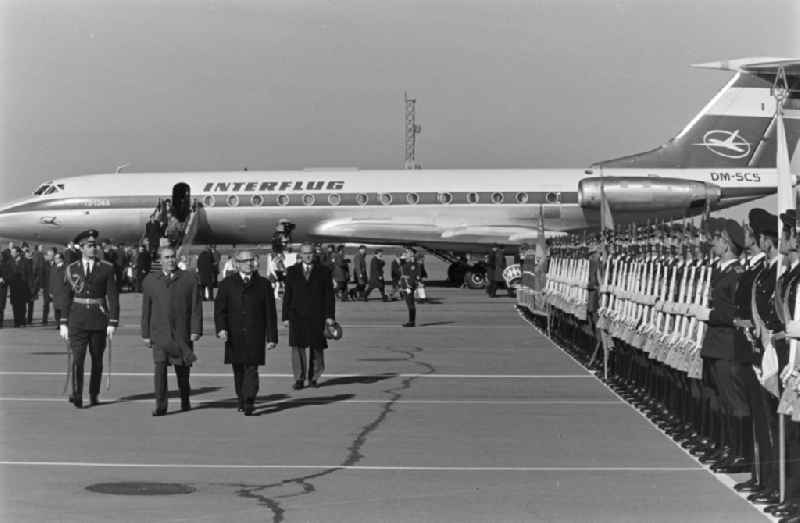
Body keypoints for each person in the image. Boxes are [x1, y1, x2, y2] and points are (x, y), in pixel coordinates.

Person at [58, 229, 119, 408]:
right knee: (78, 359)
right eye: (90, 246)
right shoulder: (72, 269)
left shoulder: (106, 268)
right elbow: (66, 297)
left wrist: (113, 321)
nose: (94, 249)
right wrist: (63, 321)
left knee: (97, 360)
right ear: (82, 248)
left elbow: (113, 297)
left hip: (99, 319)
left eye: (95, 246)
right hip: (77, 320)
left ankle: (93, 393)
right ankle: (77, 394)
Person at [141, 246, 203, 416]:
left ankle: (185, 399)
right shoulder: (150, 280)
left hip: (181, 334)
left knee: (183, 371)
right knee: (159, 369)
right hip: (159, 334)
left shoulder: (189, 279)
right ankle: (161, 406)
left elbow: (196, 307)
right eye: (167, 257)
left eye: (172, 257)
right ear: (160, 260)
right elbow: (146, 309)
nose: (170, 260)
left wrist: (196, 329)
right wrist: (145, 334)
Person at [214, 250, 278, 415]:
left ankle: (250, 399)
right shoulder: (227, 283)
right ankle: (241, 398)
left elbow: (270, 313)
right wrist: (221, 329)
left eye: (251, 260)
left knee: (252, 368)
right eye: (245, 261)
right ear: (237, 264)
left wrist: (272, 337)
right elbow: (220, 310)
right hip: (234, 334)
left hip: (255, 333)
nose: (249, 264)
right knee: (239, 370)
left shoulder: (263, 284)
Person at [282, 243, 335, 390]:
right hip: (297, 315)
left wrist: (330, 316)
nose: (308, 256)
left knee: (317, 348)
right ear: (300, 254)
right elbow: (288, 296)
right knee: (297, 348)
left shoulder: (324, 271)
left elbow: (329, 296)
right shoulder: (292, 271)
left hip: (317, 315)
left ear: (314, 254)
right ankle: (299, 378)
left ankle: (313, 378)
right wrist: (285, 317)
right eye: (305, 253)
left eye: (310, 253)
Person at [399, 248, 423, 327]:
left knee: (410, 304)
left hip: (408, 286)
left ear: (412, 254)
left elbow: (413, 276)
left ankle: (411, 322)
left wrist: (409, 285)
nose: (406, 253)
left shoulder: (413, 264)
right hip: (405, 285)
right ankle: (411, 321)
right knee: (409, 304)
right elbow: (402, 269)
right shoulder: (408, 262)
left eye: (408, 252)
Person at [8, 246, 31, 327]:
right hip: (13, 286)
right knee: (14, 305)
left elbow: (29, 274)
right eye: (11, 252)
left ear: (18, 253)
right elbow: (8, 273)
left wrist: (30, 287)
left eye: (13, 252)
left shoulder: (25, 261)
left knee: (22, 305)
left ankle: (22, 321)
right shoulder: (10, 262)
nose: (12, 253)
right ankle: (16, 322)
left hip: (23, 286)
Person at [49, 251, 68, 327]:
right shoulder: (53, 268)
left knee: (63, 308)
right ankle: (58, 324)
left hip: (63, 291)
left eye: (57, 258)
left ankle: (63, 323)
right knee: (56, 308)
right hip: (55, 291)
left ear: (61, 259)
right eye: (55, 258)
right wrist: (50, 291)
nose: (55, 259)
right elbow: (51, 280)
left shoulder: (66, 267)